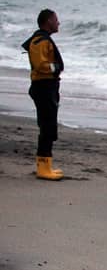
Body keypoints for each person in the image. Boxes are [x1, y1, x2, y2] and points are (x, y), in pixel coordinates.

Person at [22, 9, 64, 180]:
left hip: (48, 86)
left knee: (49, 126)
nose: (58, 23)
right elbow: (41, 65)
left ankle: (45, 165)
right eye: (56, 19)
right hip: (43, 87)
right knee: (47, 126)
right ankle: (43, 168)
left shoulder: (44, 39)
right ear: (48, 22)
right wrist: (57, 68)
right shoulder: (40, 40)